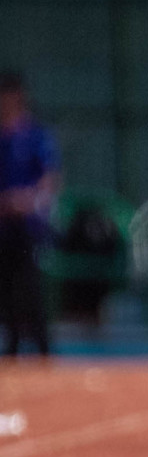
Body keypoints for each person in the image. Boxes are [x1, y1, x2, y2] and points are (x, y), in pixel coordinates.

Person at [0, 72, 59, 357]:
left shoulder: (35, 135)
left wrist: (28, 200)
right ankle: (10, 350)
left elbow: (49, 177)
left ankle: (43, 350)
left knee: (31, 287)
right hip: (2, 225)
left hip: (28, 225)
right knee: (6, 290)